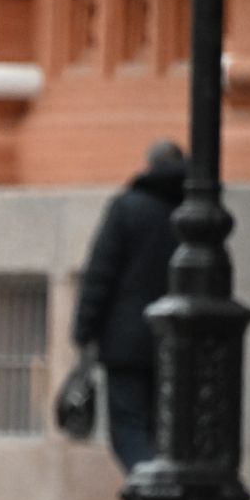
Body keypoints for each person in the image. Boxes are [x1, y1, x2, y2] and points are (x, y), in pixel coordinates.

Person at [72, 139, 186, 471]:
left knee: (129, 424)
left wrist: (84, 330)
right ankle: (157, 491)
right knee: (162, 424)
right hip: (180, 341)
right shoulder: (191, 210)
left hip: (127, 340)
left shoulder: (128, 207)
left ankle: (147, 494)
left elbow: (100, 274)